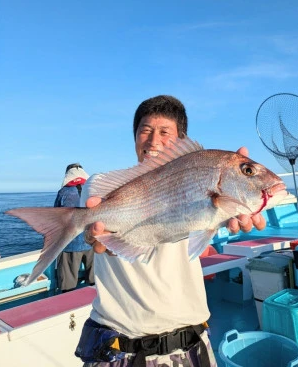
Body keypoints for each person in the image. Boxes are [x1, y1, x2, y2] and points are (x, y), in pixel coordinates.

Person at [75, 95, 266, 367]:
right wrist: (97, 236)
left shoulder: (202, 182)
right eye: (145, 131)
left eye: (165, 132)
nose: (154, 141)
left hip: (190, 342)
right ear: (135, 137)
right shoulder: (101, 184)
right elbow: (95, 235)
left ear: (181, 141)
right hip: (118, 344)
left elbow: (222, 215)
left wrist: (243, 201)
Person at [54, 163, 95, 292]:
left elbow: (55, 217)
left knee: (68, 283)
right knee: (95, 281)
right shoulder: (92, 190)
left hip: (70, 245)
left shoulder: (64, 192)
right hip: (92, 242)